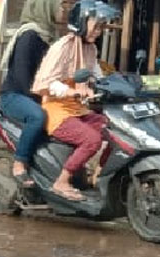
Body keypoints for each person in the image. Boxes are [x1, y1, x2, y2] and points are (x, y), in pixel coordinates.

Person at [31, 0, 116, 201]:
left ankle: (96, 176)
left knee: (114, 130)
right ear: (82, 22)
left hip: (78, 110)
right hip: (56, 111)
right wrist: (73, 92)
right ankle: (61, 181)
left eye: (101, 26)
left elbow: (97, 75)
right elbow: (46, 83)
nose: (99, 31)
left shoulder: (90, 49)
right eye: (96, 26)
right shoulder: (62, 47)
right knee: (92, 140)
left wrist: (115, 84)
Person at [0, 0, 73, 187]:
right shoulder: (29, 36)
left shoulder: (49, 36)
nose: (64, 11)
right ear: (46, 7)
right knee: (38, 117)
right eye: (61, 6)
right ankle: (20, 163)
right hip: (15, 96)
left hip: (34, 94)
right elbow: (24, 80)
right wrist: (46, 97)